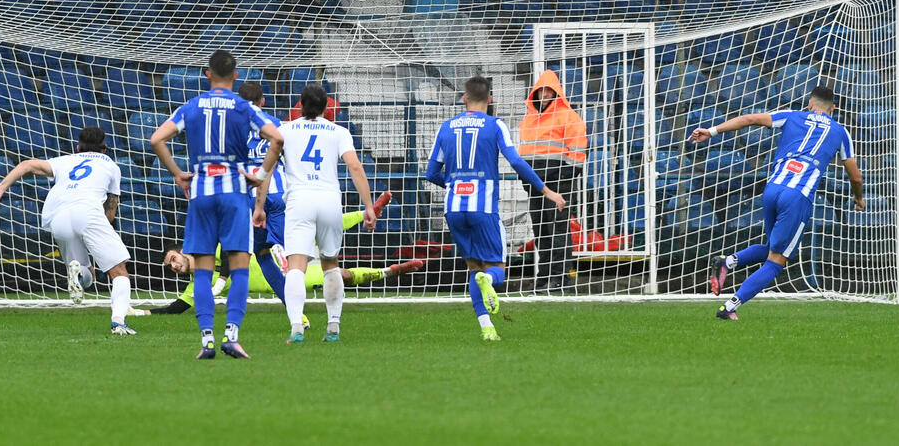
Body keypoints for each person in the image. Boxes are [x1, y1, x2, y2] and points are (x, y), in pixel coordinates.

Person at [150, 49, 284, 360]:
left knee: (202, 271)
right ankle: (232, 337)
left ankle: (207, 339)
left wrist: (179, 175)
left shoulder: (191, 106)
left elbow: (157, 139)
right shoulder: (242, 106)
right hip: (235, 193)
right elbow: (277, 139)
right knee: (238, 269)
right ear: (235, 76)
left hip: (201, 193)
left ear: (207, 74)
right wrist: (260, 175)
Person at [689, 86, 864, 320]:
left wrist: (711, 131)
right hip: (797, 196)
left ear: (810, 104)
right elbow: (855, 176)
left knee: (773, 246)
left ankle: (727, 262)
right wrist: (858, 197)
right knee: (777, 261)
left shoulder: (792, 115)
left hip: (772, 190)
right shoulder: (840, 131)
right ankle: (729, 307)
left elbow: (750, 118)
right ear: (833, 109)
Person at [426, 75, 565, 341]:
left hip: (454, 209)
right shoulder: (495, 125)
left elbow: (431, 173)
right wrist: (546, 190)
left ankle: (487, 327)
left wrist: (456, 184)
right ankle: (487, 283)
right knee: (496, 270)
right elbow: (516, 161)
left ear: (464, 99)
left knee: (473, 268)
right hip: (483, 207)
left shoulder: (446, 127)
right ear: (490, 100)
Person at [0, 127, 138, 335]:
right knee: (119, 272)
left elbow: (27, 164)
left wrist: (1, 187)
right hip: (88, 213)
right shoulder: (111, 165)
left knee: (86, 274)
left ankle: (79, 274)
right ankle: (118, 322)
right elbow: (110, 210)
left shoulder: (66, 160)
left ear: (77, 147)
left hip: (58, 217)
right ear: (105, 149)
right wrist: (100, 235)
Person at [258, 82, 376, 344]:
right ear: (326, 106)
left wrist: (259, 206)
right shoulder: (339, 131)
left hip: (299, 201)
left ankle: (296, 328)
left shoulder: (284, 130)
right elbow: (355, 167)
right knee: (330, 264)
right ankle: (333, 326)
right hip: (329, 200)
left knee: (296, 267)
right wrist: (368, 206)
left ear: (300, 105)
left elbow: (267, 169)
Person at [135, 243, 424, 315]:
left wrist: (223, 276)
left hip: (279, 259)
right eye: (170, 266)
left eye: (173, 258)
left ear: (183, 251)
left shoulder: (215, 248)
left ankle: (366, 214)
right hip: (285, 280)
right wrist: (145, 311)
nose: (174, 266)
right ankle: (389, 271)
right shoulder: (198, 283)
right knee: (336, 276)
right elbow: (177, 308)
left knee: (334, 268)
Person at [517, 69, 587, 292]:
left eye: (548, 91)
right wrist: (526, 178)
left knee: (557, 230)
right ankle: (545, 275)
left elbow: (578, 154)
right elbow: (523, 153)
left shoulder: (568, 117)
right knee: (541, 231)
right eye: (541, 91)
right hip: (536, 183)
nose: (544, 95)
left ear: (556, 93)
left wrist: (561, 179)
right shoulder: (528, 119)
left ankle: (559, 277)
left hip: (558, 183)